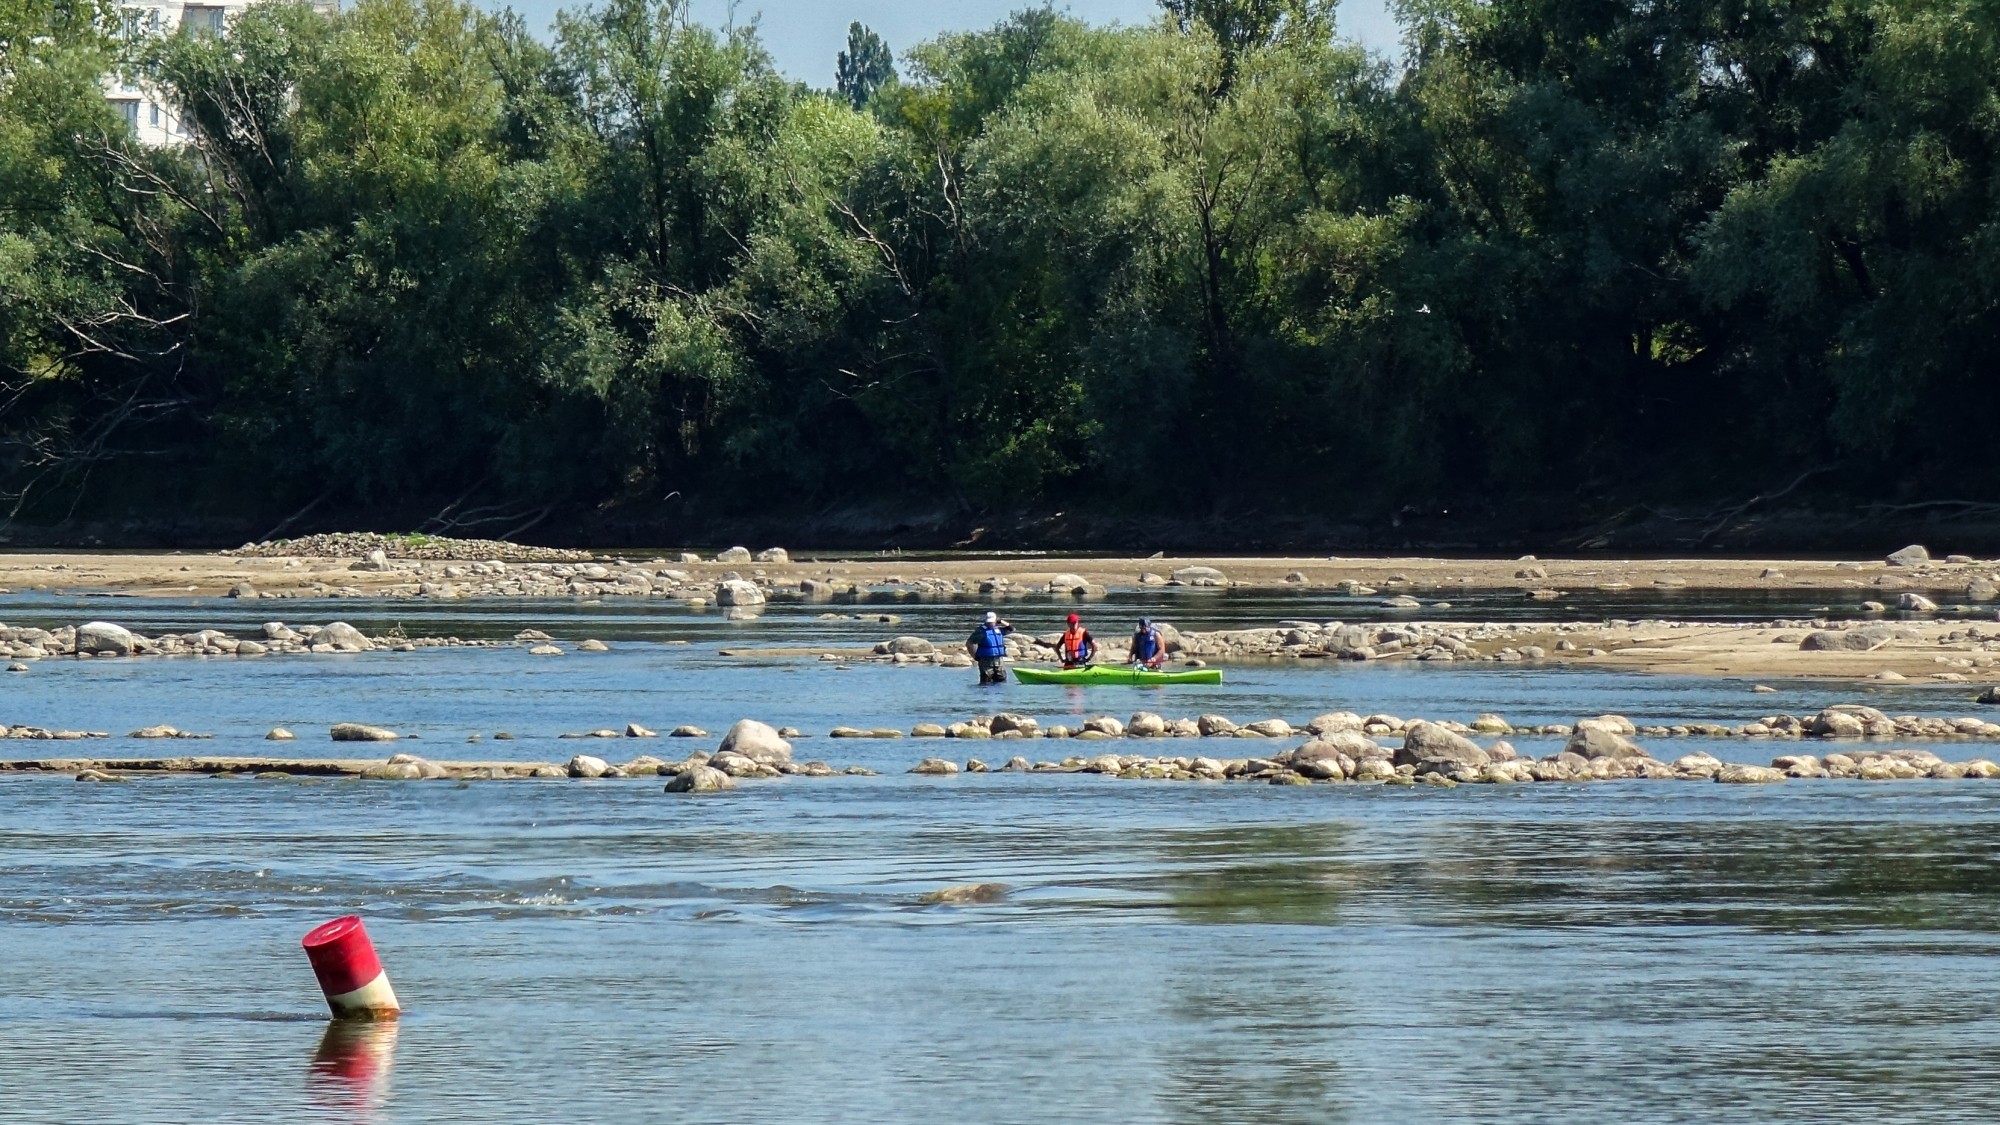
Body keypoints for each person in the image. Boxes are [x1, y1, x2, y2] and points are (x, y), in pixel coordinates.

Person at [966, 611, 1013, 684]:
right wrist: (974, 656)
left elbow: (1011, 628)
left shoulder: (999, 630)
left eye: (992, 622)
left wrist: (1001, 621)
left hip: (999, 661)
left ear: (995, 621)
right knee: (985, 682)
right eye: (988, 622)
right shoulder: (981, 631)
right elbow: (969, 643)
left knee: (1002, 682)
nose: (990, 624)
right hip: (985, 662)